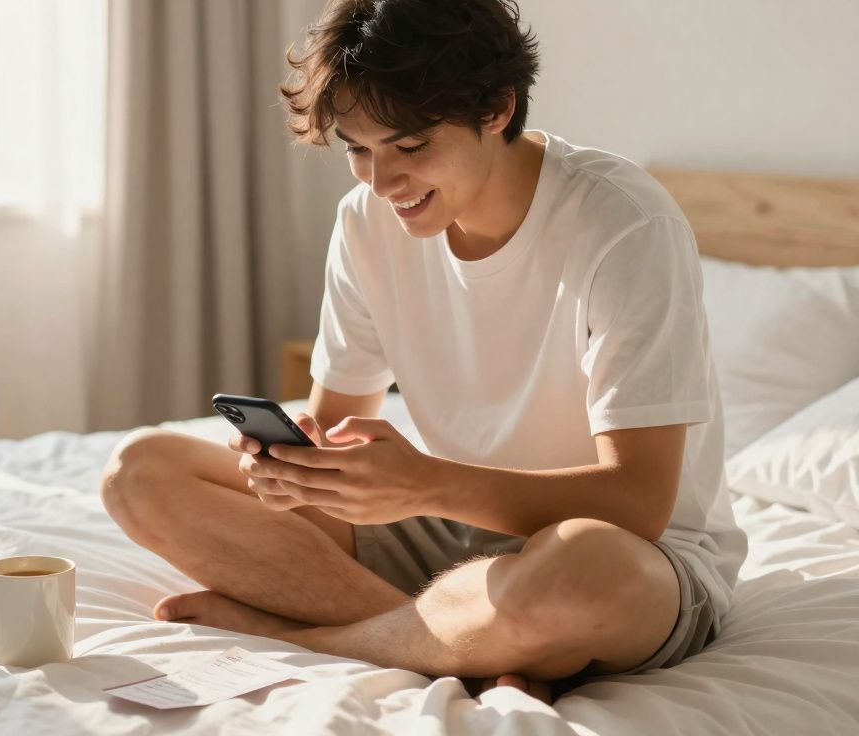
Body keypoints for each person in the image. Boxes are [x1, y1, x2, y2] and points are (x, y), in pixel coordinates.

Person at [100, 0, 745, 702]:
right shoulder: (366, 223)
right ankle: (444, 637)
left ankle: (315, 637)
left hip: (626, 552)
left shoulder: (623, 222)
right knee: (140, 471)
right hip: (452, 534)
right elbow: (332, 421)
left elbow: (638, 503)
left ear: (497, 109)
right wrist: (300, 473)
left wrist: (426, 482)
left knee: (585, 573)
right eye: (357, 150)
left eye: (409, 147)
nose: (382, 183)